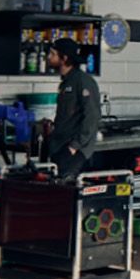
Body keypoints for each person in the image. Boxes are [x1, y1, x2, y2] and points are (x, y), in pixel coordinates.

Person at [47, 37, 101, 179]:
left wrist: (74, 147)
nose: (48, 57)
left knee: (66, 191)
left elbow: (92, 116)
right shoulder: (66, 82)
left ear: (64, 58)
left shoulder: (83, 81)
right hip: (60, 146)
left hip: (74, 151)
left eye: (52, 54)